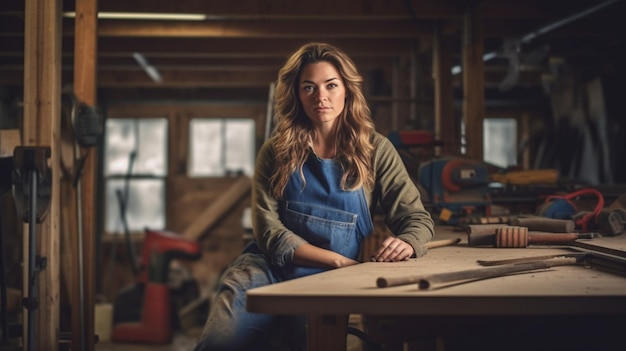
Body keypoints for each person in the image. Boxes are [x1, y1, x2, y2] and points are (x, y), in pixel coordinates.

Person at [194, 42, 434, 351]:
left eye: (331, 85)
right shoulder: (275, 151)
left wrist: (408, 241)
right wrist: (338, 261)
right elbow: (268, 231)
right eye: (309, 87)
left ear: (347, 90)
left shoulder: (376, 151)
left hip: (326, 282)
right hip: (265, 270)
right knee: (219, 342)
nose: (321, 97)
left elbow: (416, 219)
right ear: (296, 94)